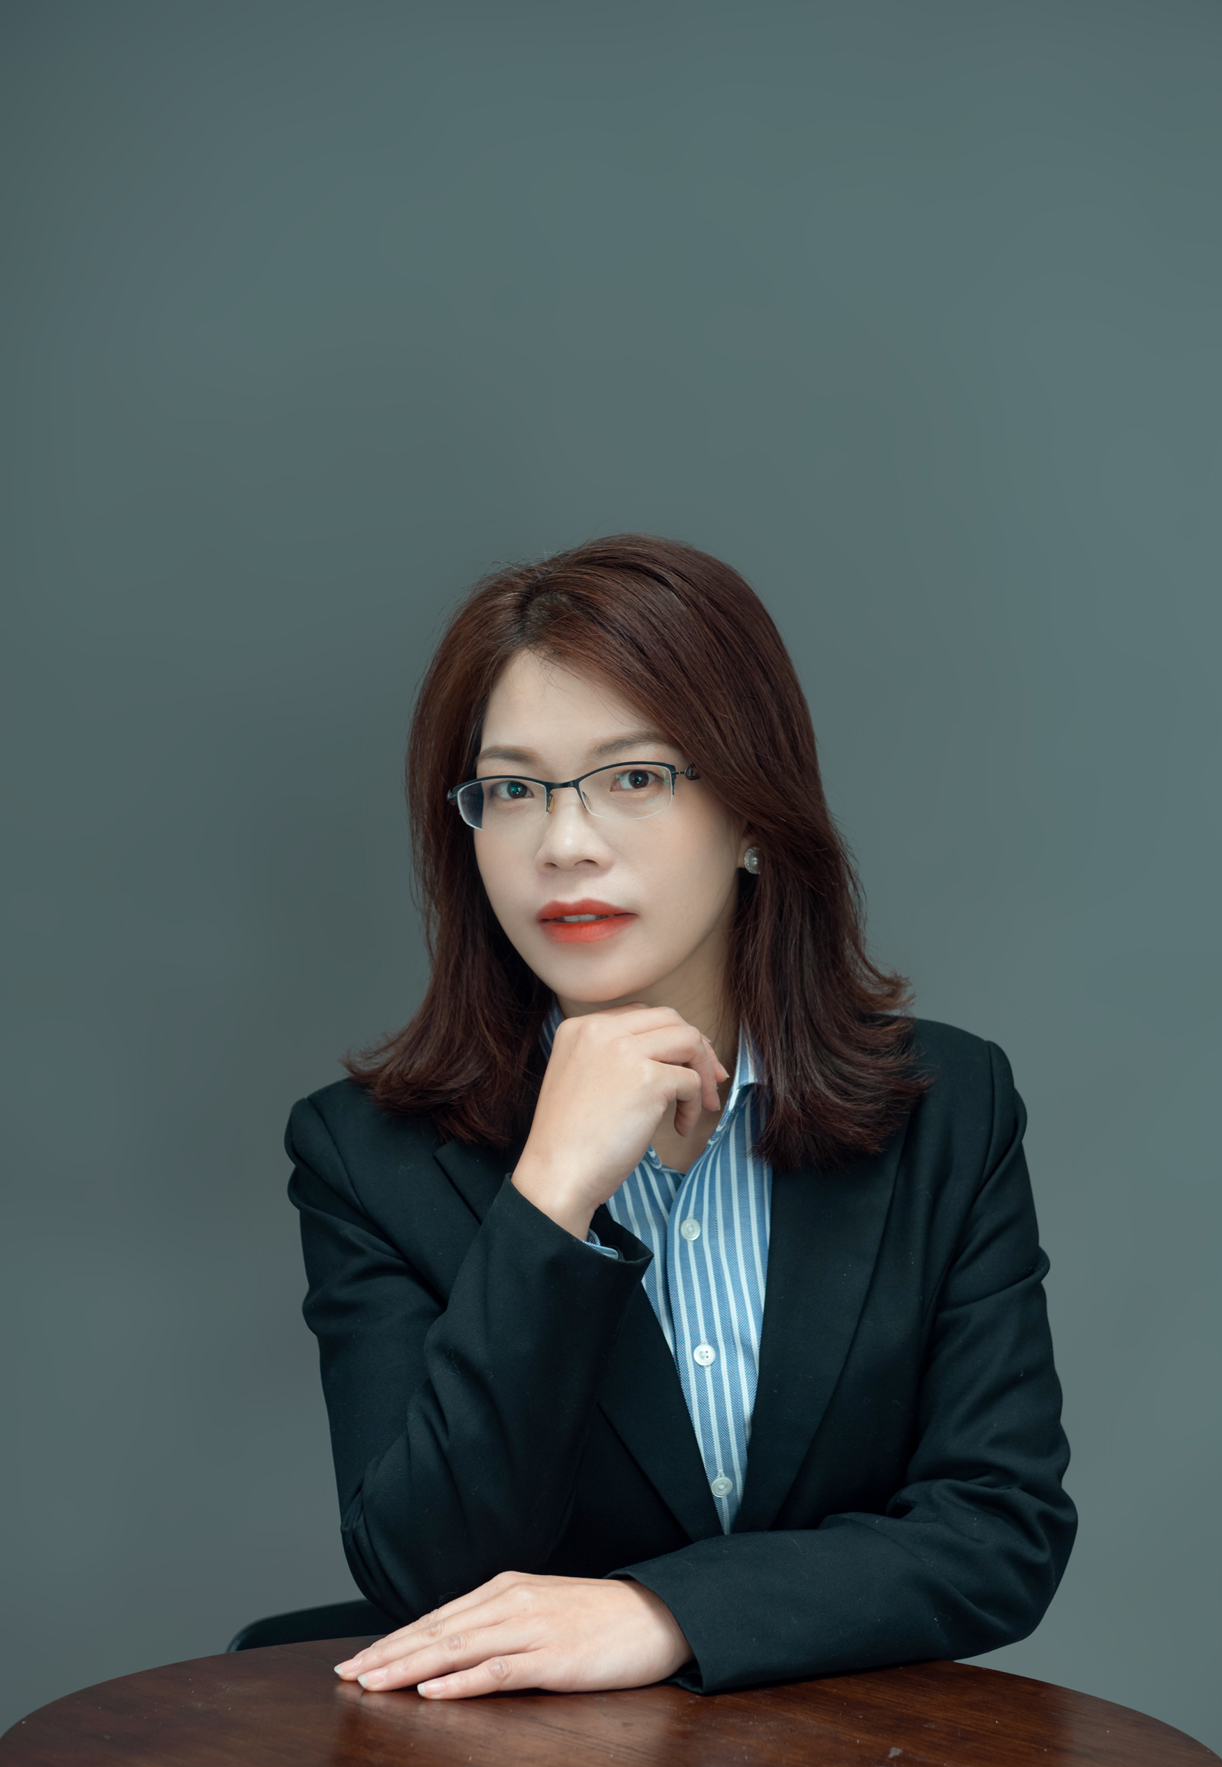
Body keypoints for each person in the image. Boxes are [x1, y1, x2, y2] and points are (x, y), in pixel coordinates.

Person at [288, 534, 1076, 1702]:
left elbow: (1000, 1529)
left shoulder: (948, 1108)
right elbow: (423, 1571)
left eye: (633, 777)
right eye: (512, 789)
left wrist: (666, 1610)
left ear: (753, 813)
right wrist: (548, 1195)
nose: (563, 843)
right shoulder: (366, 1155)